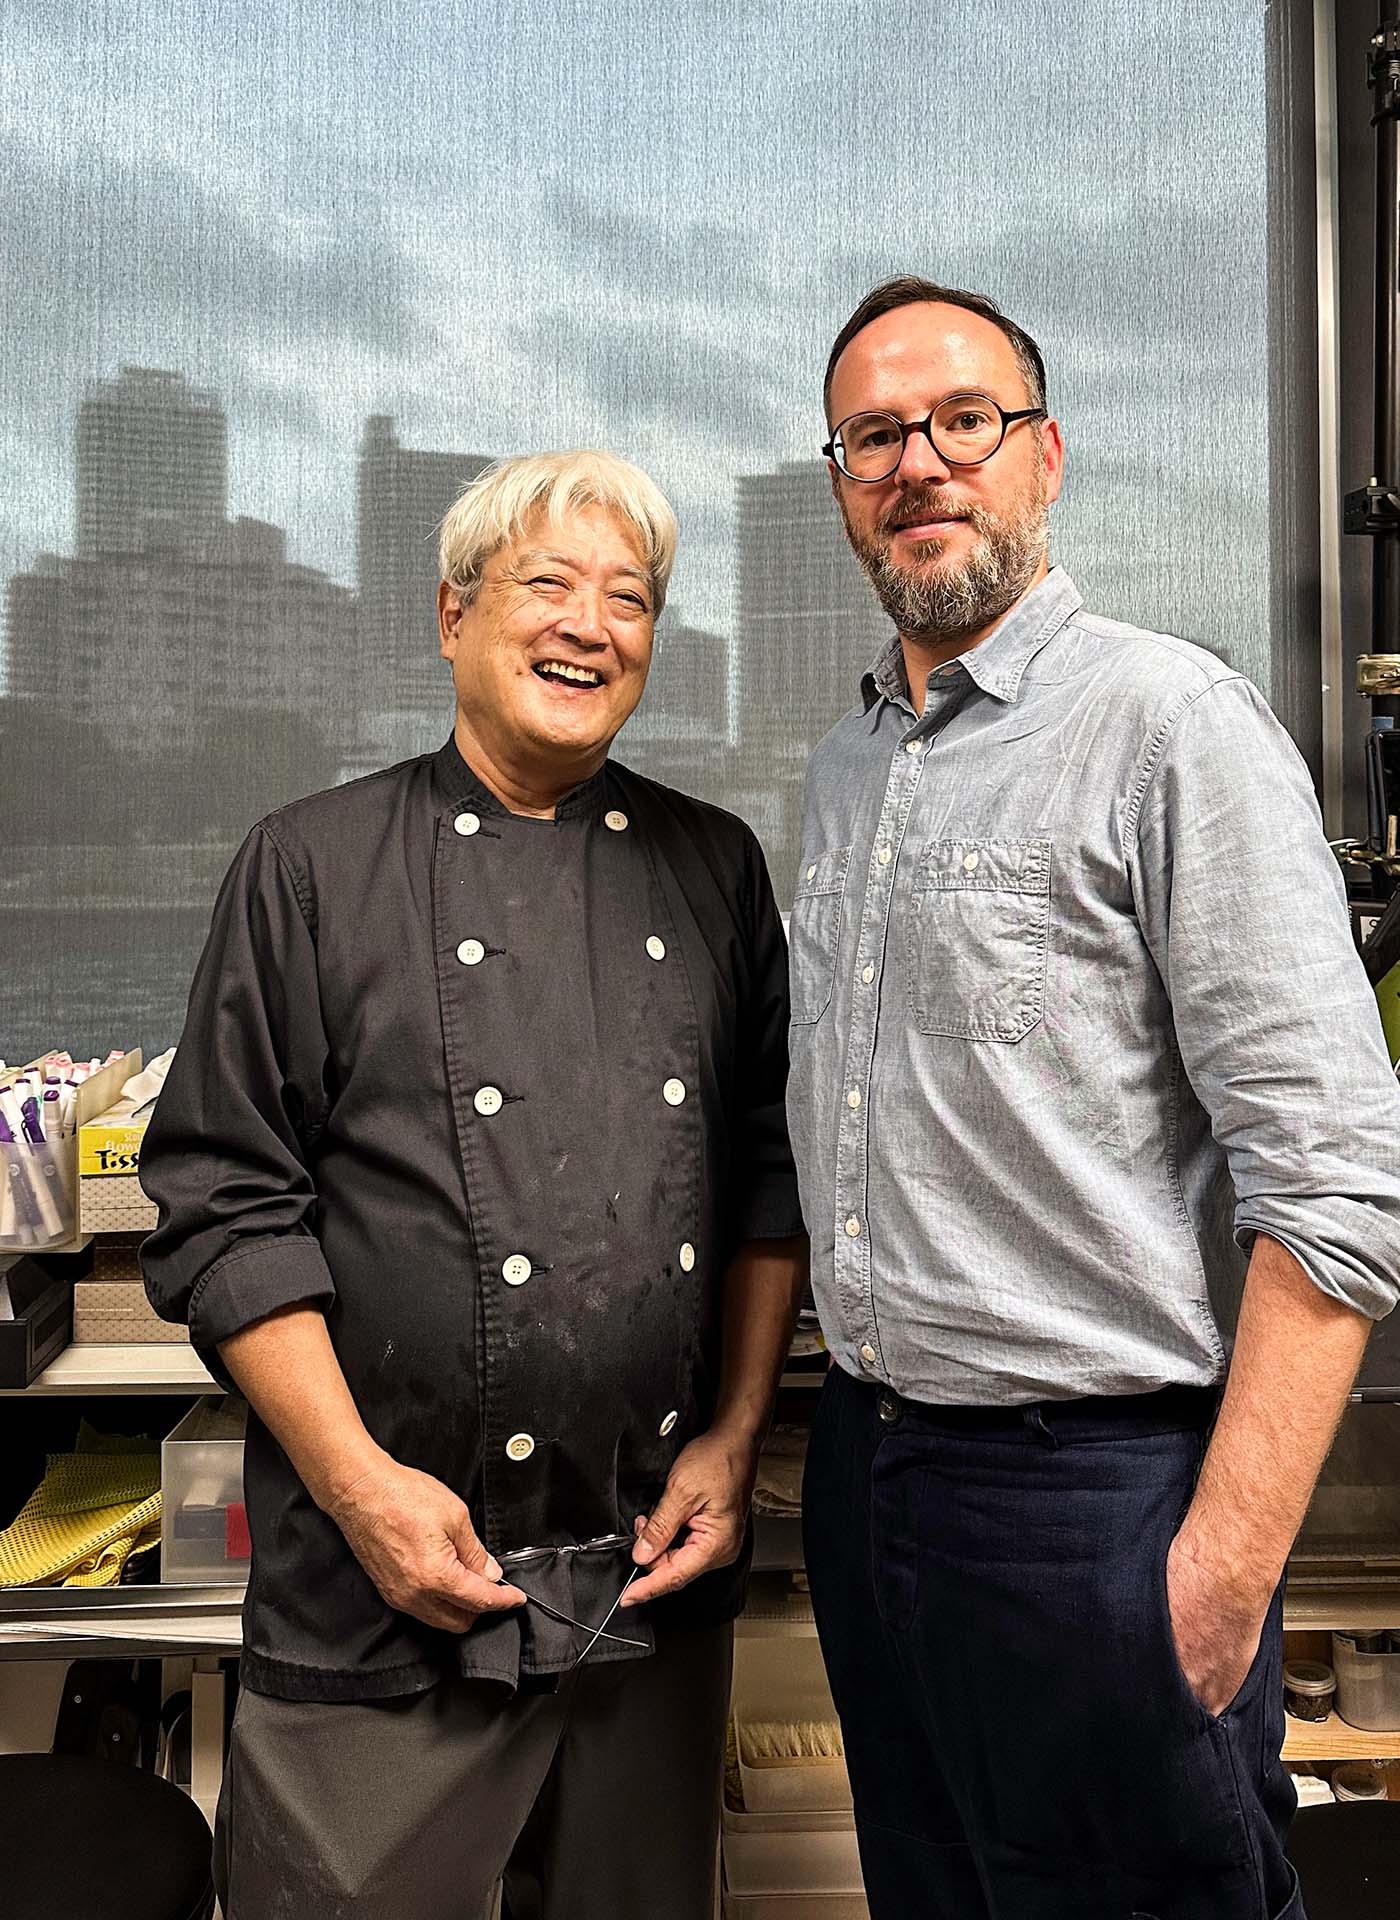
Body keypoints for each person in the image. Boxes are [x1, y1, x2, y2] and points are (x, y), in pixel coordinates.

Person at [788, 276, 1400, 1920]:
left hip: (1091, 1502)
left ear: (1045, 455)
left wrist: (1217, 1573)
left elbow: (1349, 1189)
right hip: (870, 1471)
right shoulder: (853, 759)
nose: (920, 462)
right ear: (843, 483)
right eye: (876, 436)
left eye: (963, 422)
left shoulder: (1172, 728)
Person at [140, 448, 807, 1919]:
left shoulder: (714, 865)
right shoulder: (309, 867)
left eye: (629, 597)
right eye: (548, 584)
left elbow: (768, 1182)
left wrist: (739, 1438)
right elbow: (223, 1206)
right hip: (384, 1591)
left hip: (645, 1581)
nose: (591, 624)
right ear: (454, 615)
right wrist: (361, 1487)